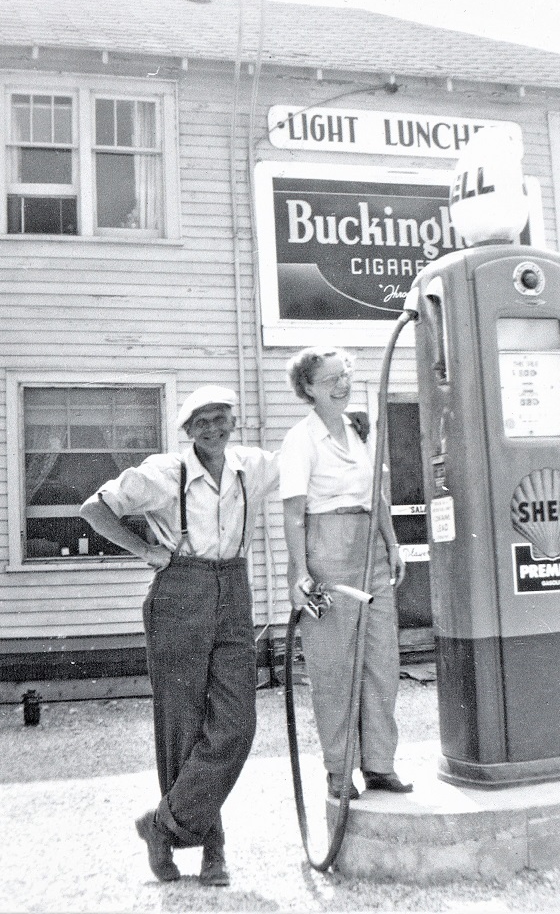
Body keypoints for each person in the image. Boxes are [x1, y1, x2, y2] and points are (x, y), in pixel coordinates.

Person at [79, 385, 279, 886]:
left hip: (234, 586)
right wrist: (146, 552)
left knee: (237, 724)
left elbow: (303, 463)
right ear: (187, 431)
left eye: (220, 418)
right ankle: (212, 852)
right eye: (201, 421)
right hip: (180, 591)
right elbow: (94, 509)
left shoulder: (251, 466)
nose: (212, 428)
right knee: (182, 727)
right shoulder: (163, 473)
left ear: (233, 421)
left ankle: (162, 826)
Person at [280, 347, 413, 800]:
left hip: (370, 546)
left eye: (345, 375)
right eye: (329, 379)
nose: (341, 385)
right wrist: (298, 572)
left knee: (382, 659)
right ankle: (339, 770)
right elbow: (294, 512)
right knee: (334, 666)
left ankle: (379, 763)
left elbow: (378, 491)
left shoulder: (361, 429)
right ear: (308, 389)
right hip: (326, 545)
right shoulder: (300, 439)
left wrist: (392, 544)